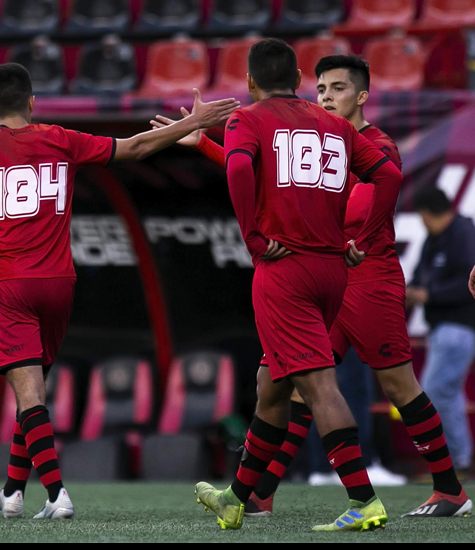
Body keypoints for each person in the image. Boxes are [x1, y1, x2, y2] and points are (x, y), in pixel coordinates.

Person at [0, 62, 239, 520]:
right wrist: (193, 123)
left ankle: (56, 495)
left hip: (9, 284)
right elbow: (137, 146)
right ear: (32, 102)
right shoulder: (60, 138)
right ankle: (11, 492)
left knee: (29, 396)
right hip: (58, 284)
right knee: (33, 392)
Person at [155, 55, 470, 518]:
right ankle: (257, 494)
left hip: (367, 275)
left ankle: (449, 491)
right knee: (283, 385)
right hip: (331, 271)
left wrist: (319, 229)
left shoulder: (375, 143)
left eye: (338, 88)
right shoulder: (320, 137)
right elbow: (267, 174)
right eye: (321, 88)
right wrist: (204, 143)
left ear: (362, 96)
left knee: (397, 384)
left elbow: (359, 201)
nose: (326, 96)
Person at [188, 38, 405, 532]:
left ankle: (364, 499)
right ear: (301, 80)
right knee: (272, 383)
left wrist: (254, 239)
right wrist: (365, 239)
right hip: (332, 270)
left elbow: (241, 166)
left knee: (318, 386)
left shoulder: (249, 117)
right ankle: (237, 497)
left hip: (285, 268)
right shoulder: (332, 124)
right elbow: (389, 176)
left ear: (249, 82)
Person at [407, 185, 475, 484]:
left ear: (424, 213)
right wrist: (410, 291)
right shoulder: (435, 239)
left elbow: (467, 283)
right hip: (442, 328)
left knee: (434, 392)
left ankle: (457, 461)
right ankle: (458, 462)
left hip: (459, 326)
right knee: (448, 395)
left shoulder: (464, 234)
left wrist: (427, 295)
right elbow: (420, 276)